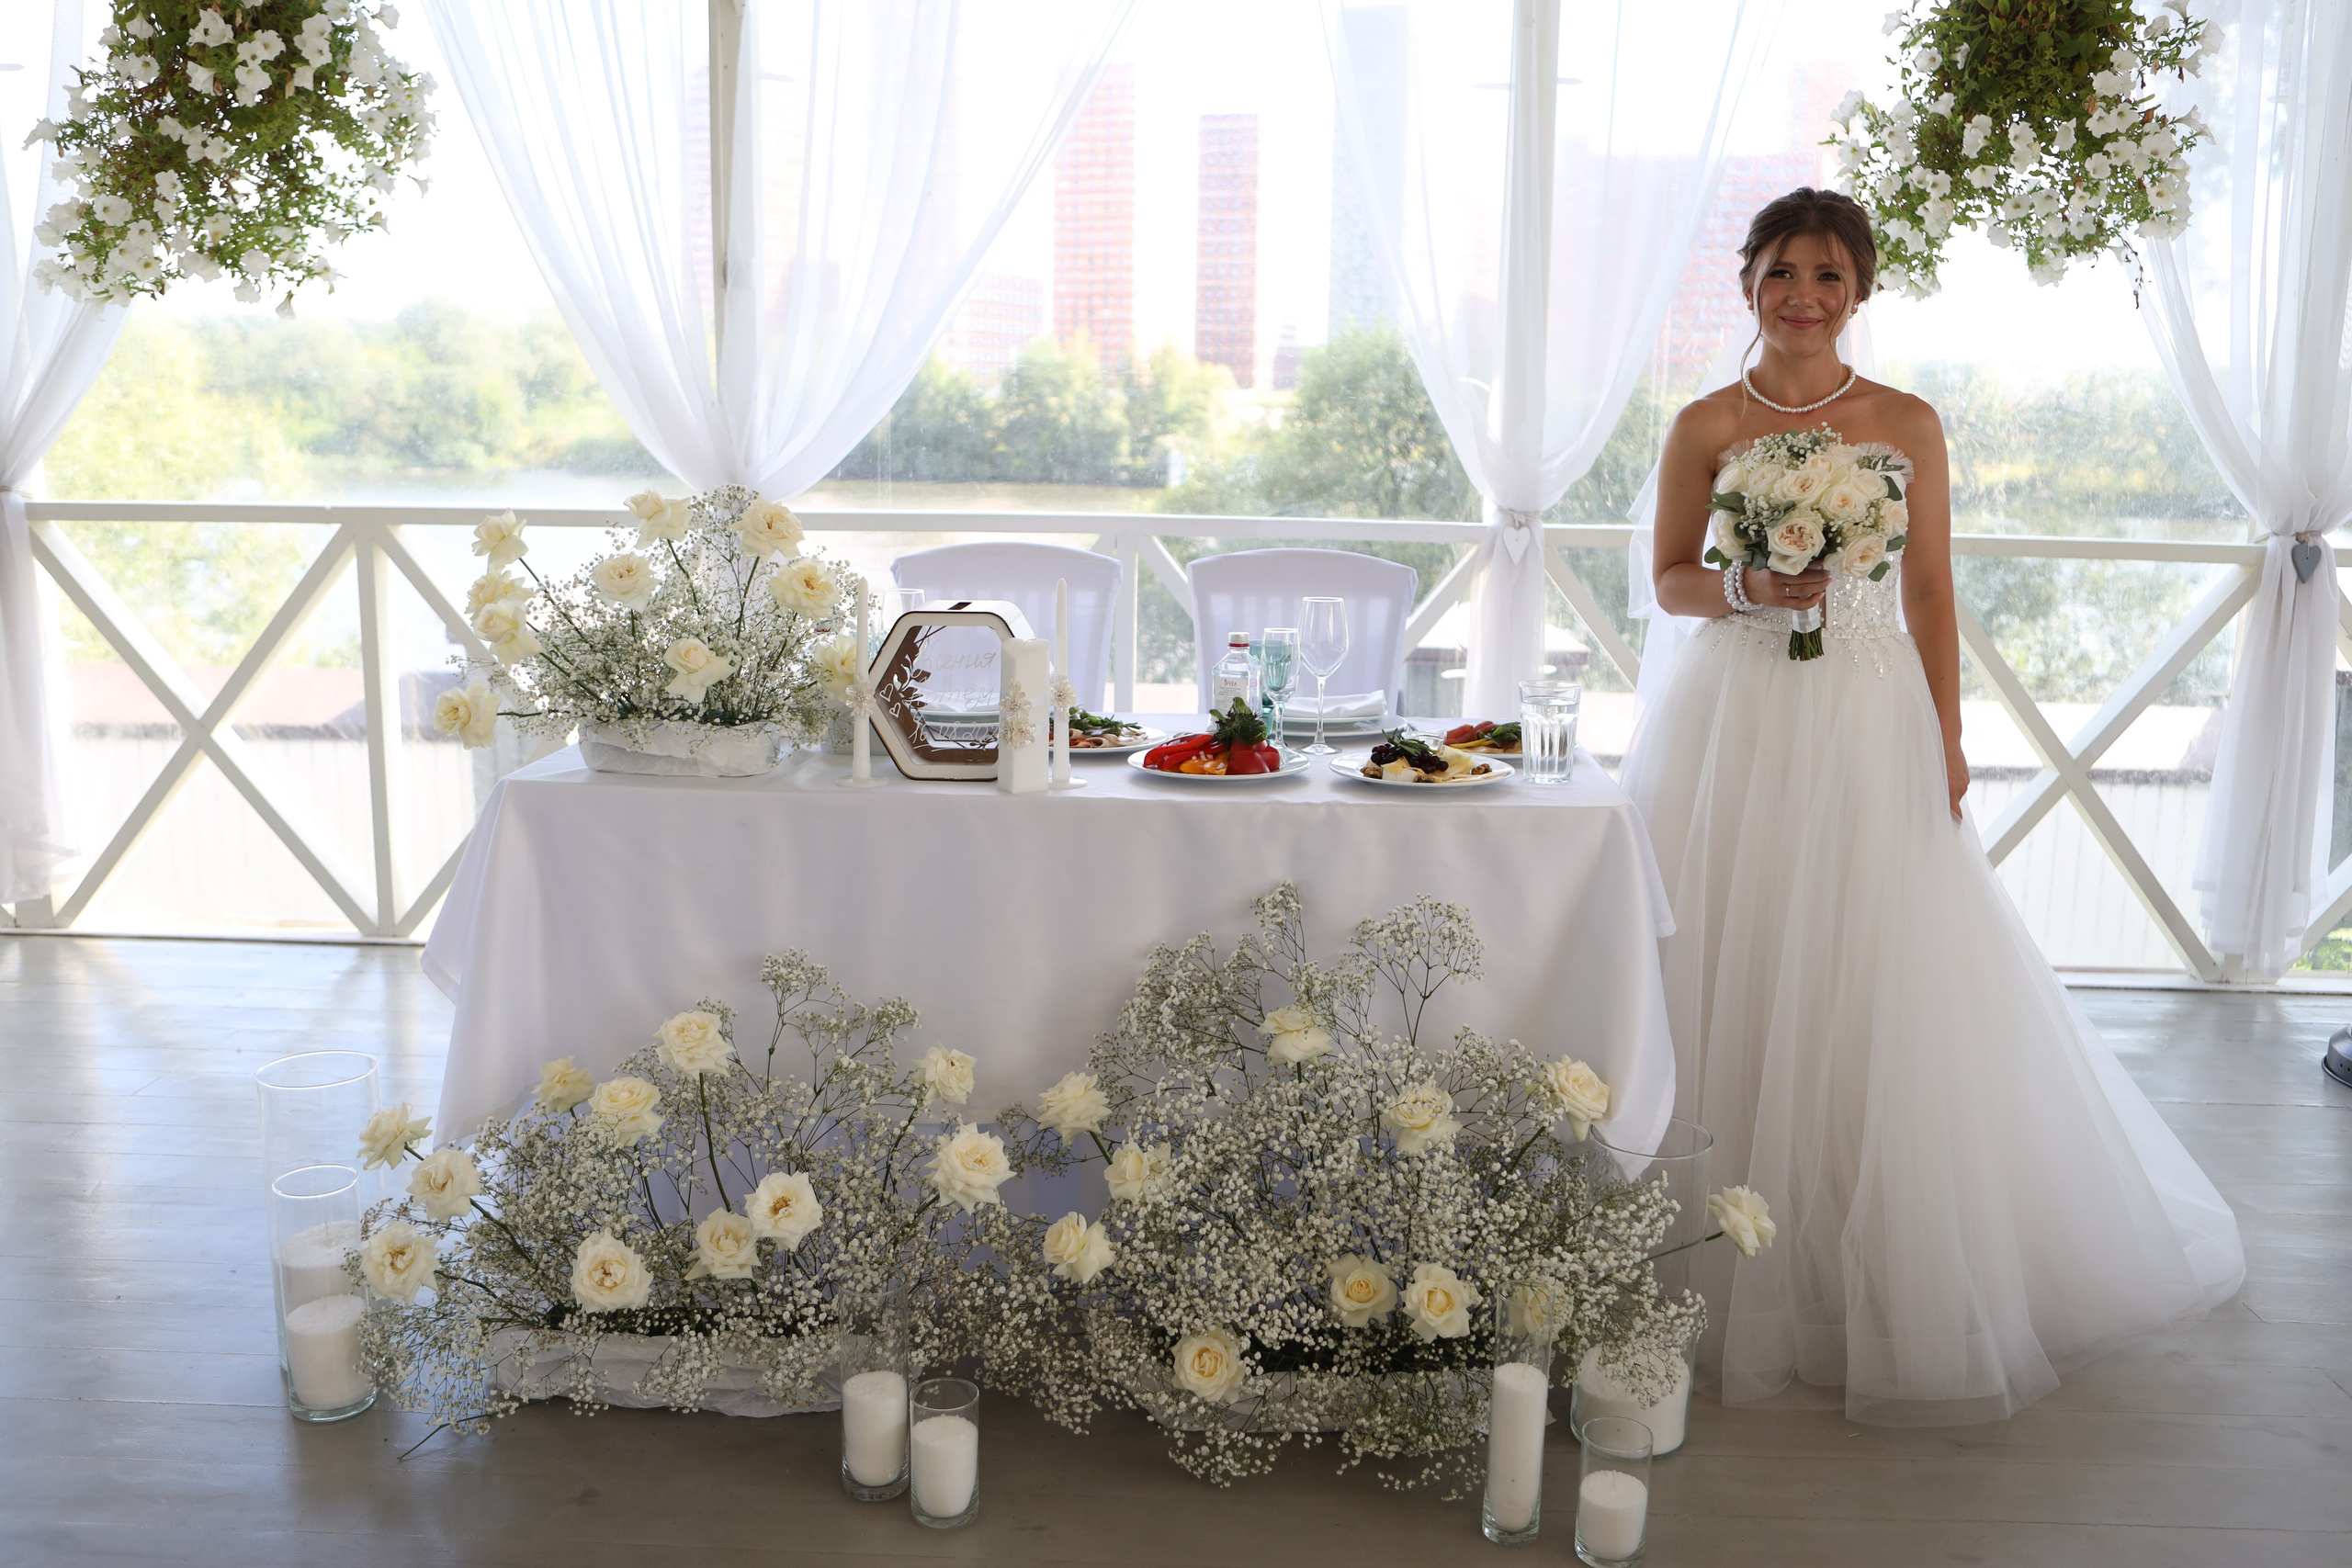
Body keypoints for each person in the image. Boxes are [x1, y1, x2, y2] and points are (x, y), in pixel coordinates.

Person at [1618, 187, 2245, 1425]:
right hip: (1732, 718)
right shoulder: (1702, 424)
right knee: (1726, 947)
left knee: (1867, 961)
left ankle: (1868, 1254)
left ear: (1861, 295)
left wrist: (1947, 737)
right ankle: (1717, 1252)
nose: (1805, 296)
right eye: (1785, 272)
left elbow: (1934, 593)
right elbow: (1672, 581)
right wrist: (1750, 584)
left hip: (1863, 714)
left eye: (1830, 278)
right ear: (1748, 283)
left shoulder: (1904, 422)